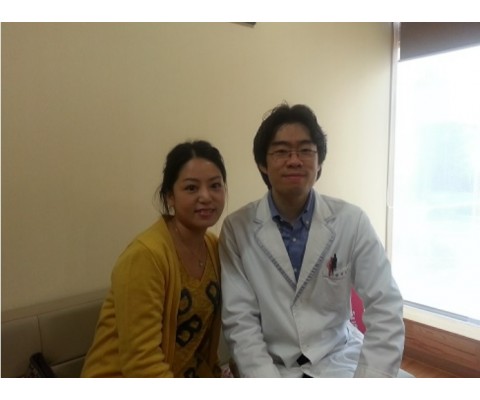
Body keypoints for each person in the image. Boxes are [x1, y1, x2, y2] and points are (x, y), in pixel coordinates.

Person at [219, 103, 406, 378]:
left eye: (306, 150)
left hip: (339, 358)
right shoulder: (238, 229)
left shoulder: (351, 221)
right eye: (281, 151)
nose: (294, 160)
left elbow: (385, 305)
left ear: (319, 163)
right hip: (274, 367)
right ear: (262, 164)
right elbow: (241, 323)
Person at [81, 140, 227, 377]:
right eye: (191, 188)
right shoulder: (145, 256)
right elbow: (141, 363)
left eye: (215, 186)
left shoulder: (214, 246)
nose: (206, 196)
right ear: (170, 196)